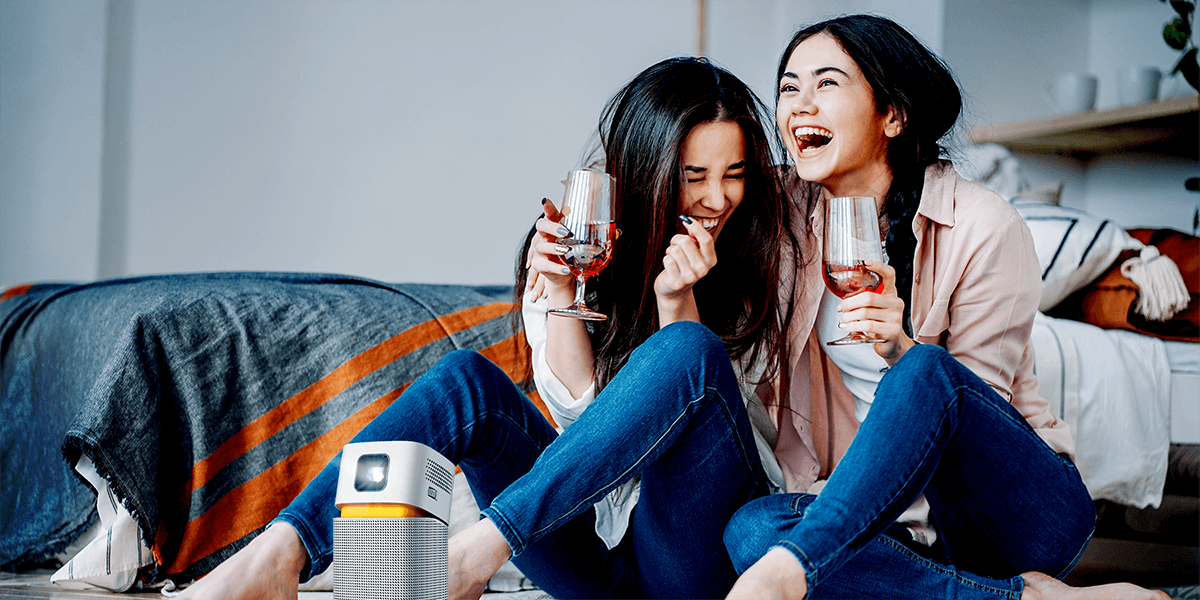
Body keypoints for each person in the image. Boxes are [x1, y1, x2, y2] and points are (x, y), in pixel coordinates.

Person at [177, 56, 796, 600]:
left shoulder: (756, 262)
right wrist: (558, 297)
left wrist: (677, 301)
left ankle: (477, 552)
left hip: (697, 564)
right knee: (464, 381)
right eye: (695, 177)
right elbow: (584, 430)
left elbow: (683, 433)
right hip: (595, 558)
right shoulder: (578, 251)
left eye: (734, 173)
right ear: (646, 175)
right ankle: (278, 556)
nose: (717, 198)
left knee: (687, 347)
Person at [721, 14, 1169, 600]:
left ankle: (802, 569)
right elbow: (694, 186)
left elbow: (969, 409)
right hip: (881, 515)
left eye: (827, 84)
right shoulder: (781, 212)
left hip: (1011, 512)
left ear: (893, 115)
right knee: (755, 531)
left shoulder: (983, 223)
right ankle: (1026, 599)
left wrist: (898, 348)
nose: (800, 104)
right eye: (788, 87)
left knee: (926, 369)